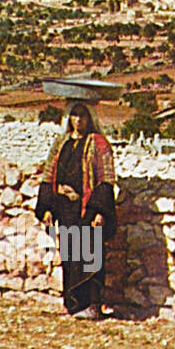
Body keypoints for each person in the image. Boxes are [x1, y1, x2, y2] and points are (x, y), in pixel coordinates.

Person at [34, 100, 117, 319]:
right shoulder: (61, 143)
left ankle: (91, 305)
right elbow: (49, 176)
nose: (78, 120)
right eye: (74, 116)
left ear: (90, 118)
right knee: (70, 257)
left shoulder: (99, 143)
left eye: (82, 116)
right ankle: (71, 304)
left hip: (87, 209)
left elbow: (106, 178)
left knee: (90, 254)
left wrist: (100, 210)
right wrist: (48, 208)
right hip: (65, 209)